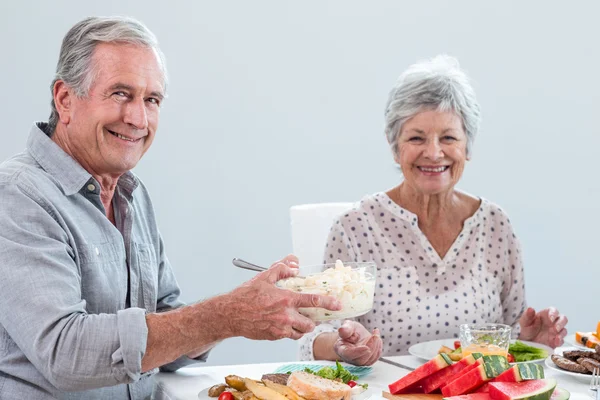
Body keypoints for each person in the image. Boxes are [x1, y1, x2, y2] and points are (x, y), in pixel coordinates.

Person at [0, 16, 341, 399]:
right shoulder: (16, 195)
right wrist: (224, 314)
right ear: (65, 99)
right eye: (120, 94)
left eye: (152, 100)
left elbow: (165, 327)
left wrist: (240, 311)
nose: (138, 119)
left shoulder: (131, 192)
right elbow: (66, 353)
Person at [298, 55, 568, 365]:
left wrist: (528, 339)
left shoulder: (495, 224)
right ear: (394, 144)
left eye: (449, 137)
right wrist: (340, 347)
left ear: (468, 146)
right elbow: (315, 335)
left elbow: (506, 332)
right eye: (416, 138)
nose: (434, 153)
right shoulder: (355, 226)